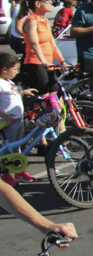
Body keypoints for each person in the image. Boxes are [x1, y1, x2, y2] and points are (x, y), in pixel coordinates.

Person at [0, 53, 38, 184]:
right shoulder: (0, 83)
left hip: (18, 120)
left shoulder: (8, 82)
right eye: (15, 69)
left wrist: (22, 93)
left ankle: (18, 171)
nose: (17, 72)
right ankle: (4, 174)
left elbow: (11, 97)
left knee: (17, 147)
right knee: (7, 149)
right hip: (8, 122)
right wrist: (4, 116)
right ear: (4, 69)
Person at [21, 0, 68, 94]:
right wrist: (44, 62)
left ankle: (53, 110)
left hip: (47, 63)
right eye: (47, 0)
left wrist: (63, 62)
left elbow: (52, 44)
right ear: (37, 4)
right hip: (35, 62)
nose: (51, 2)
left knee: (55, 91)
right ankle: (36, 110)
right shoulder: (32, 21)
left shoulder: (44, 20)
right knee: (43, 94)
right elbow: (34, 43)